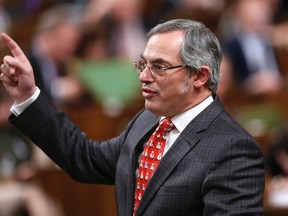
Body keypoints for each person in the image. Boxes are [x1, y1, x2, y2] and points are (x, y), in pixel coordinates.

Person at [0, 19, 265, 215]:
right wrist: (28, 96)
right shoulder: (148, 121)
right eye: (143, 65)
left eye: (159, 67)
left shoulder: (233, 148)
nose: (143, 77)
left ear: (199, 76)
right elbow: (85, 158)